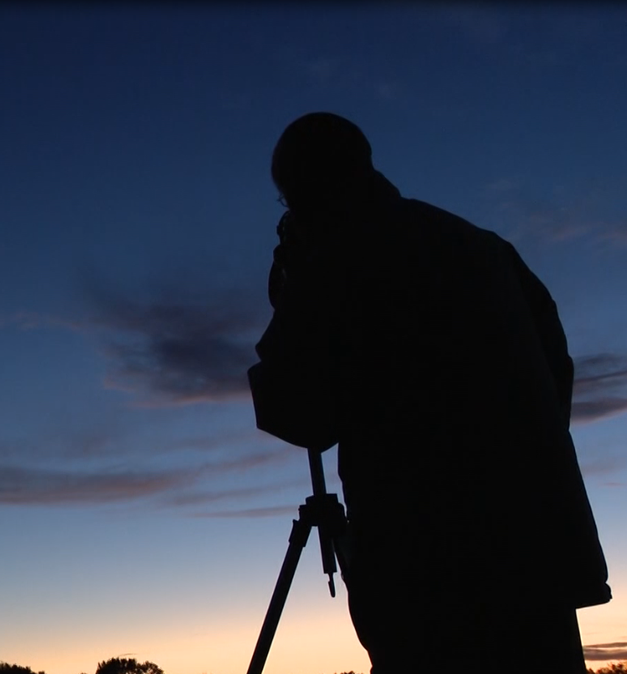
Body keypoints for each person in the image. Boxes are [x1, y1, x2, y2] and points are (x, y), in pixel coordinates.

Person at [247, 112, 611, 674]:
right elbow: (554, 371)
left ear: (302, 193)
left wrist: (297, 279)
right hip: (538, 550)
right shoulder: (485, 248)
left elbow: (301, 411)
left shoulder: (340, 260)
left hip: (426, 568)